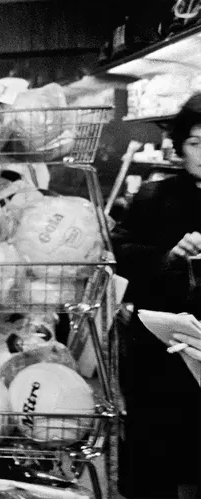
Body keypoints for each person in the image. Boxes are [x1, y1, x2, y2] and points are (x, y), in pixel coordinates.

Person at [111, 93, 201, 499]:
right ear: (181, 146)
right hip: (162, 352)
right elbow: (119, 253)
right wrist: (169, 257)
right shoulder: (154, 196)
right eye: (197, 142)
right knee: (156, 458)